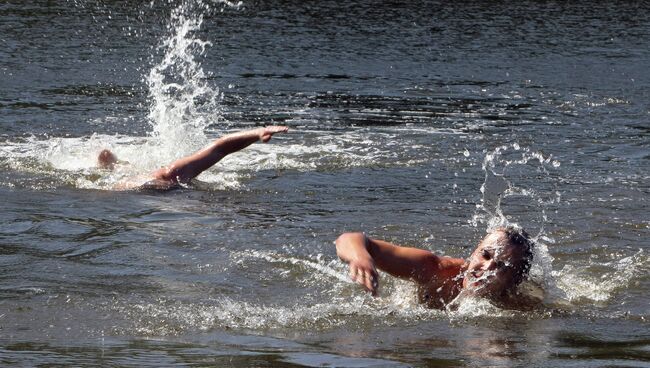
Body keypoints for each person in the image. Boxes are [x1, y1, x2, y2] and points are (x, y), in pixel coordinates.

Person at [335, 226, 540, 310]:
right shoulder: (437, 271)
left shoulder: (517, 305)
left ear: (515, 280)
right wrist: (361, 258)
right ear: (475, 249)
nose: (485, 268)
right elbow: (348, 238)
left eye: (502, 266)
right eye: (484, 255)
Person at [97, 126, 289, 190]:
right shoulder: (171, 177)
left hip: (163, 182)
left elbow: (220, 147)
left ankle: (111, 165)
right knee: (124, 173)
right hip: (152, 186)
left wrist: (258, 133)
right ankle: (112, 165)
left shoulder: (173, 174)